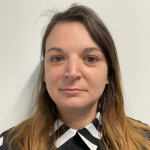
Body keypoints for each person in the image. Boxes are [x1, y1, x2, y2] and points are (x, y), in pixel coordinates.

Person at [0, 4, 150, 150]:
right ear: (44, 73)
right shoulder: (8, 145)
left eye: (90, 59)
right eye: (57, 58)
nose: (72, 72)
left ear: (109, 74)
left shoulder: (145, 141)